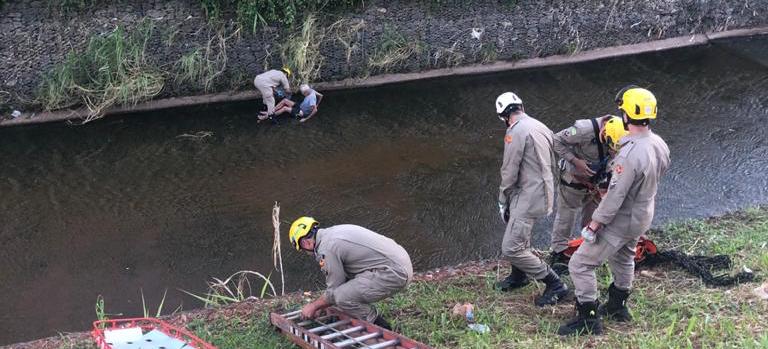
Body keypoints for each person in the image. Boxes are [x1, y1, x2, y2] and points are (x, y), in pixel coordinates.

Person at [558, 86, 670, 336]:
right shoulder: (658, 144)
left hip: (621, 219)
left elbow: (614, 197)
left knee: (580, 263)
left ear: (627, 115)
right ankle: (618, 306)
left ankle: (588, 318)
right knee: (624, 257)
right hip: (643, 216)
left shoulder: (628, 154)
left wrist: (594, 224)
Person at [493, 92, 571, 307]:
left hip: (528, 194)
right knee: (518, 233)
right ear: (520, 106)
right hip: (543, 191)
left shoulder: (515, 132)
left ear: (503, 115)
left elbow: (509, 170)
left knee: (512, 247)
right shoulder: (539, 125)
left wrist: (503, 199)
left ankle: (555, 284)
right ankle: (519, 276)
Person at [289, 217, 413, 330]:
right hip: (401, 261)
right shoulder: (332, 232)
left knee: (341, 297)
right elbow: (343, 277)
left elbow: (334, 290)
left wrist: (314, 306)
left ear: (306, 243)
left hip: (394, 273)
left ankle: (382, 327)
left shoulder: (326, 249)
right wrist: (322, 306)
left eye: (303, 249)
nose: (306, 252)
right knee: (341, 294)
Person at [549, 116, 628, 273]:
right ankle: (558, 253)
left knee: (593, 217)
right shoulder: (582, 130)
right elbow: (555, 140)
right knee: (566, 217)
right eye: (609, 146)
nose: (612, 151)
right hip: (573, 181)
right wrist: (576, 161)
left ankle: (587, 250)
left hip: (597, 182)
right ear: (604, 133)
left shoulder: (622, 131)